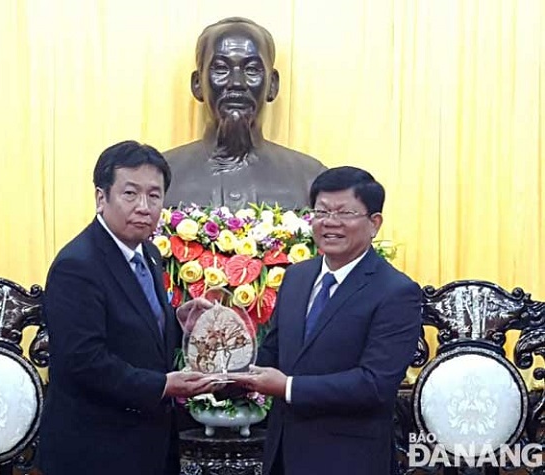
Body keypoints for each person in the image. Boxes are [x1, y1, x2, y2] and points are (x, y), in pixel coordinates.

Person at [38, 141, 215, 475]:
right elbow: (83, 361)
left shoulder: (149, 255)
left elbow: (136, 334)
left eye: (154, 195)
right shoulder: (78, 265)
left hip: (147, 443)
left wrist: (177, 323)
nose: (144, 207)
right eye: (130, 194)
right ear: (101, 198)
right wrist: (163, 385)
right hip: (95, 450)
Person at [231, 166, 422, 475]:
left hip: (348, 458)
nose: (330, 223)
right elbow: (273, 351)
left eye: (345, 213)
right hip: (283, 455)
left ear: (374, 224)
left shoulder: (396, 292)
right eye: (321, 212)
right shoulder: (296, 276)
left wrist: (288, 388)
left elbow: (375, 385)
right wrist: (217, 347)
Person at [164, 17, 326, 210]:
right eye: (221, 68)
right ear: (197, 84)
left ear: (272, 84)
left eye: (252, 69)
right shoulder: (161, 176)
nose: (237, 83)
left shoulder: (309, 177)